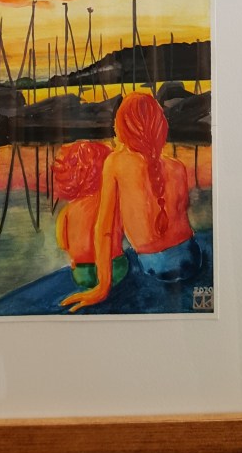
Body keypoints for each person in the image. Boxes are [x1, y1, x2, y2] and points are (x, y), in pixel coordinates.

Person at [62, 91, 201, 312]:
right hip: (192, 257)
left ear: (121, 127)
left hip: (155, 265)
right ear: (159, 127)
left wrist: (102, 287)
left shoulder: (115, 163)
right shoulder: (177, 167)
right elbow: (179, 212)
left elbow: (105, 230)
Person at [52, 140, 129, 290]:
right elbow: (123, 231)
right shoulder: (112, 204)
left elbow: (63, 243)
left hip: (82, 274)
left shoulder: (67, 212)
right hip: (115, 267)